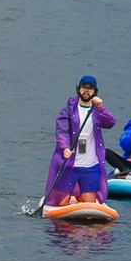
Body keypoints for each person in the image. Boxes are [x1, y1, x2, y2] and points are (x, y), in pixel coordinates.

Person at [47, 76, 116, 206]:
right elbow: (61, 132)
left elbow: (111, 122)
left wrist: (101, 107)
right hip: (71, 165)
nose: (86, 92)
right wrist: (65, 148)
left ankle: (80, 195)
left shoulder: (97, 111)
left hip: (91, 165)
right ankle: (72, 196)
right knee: (61, 202)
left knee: (89, 203)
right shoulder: (68, 110)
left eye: (90, 89)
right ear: (78, 89)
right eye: (84, 88)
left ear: (95, 92)